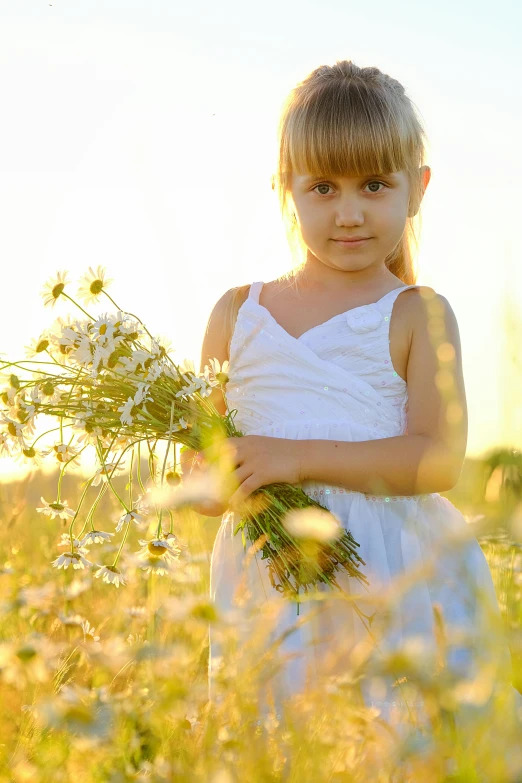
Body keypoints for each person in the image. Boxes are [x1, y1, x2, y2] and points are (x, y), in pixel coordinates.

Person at [181, 60, 522, 754]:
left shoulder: (415, 313)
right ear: (285, 190)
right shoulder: (236, 315)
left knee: (391, 740)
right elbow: (201, 470)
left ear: (417, 188)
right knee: (282, 744)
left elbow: (434, 458)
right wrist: (216, 483)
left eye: (374, 184)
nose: (350, 211)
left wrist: (292, 457)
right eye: (323, 187)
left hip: (389, 568)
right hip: (269, 575)